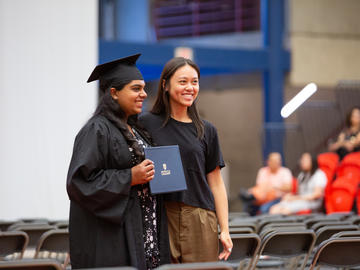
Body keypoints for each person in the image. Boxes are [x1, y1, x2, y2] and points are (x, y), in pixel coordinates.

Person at [66, 54, 170, 269]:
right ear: (113, 93)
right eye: (135, 88)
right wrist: (130, 177)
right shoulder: (96, 130)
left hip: (146, 229)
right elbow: (79, 184)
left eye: (143, 88)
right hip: (115, 237)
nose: (143, 94)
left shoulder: (138, 130)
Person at [139, 57, 233, 263]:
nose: (190, 87)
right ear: (165, 85)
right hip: (161, 213)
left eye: (195, 81)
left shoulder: (207, 130)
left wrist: (224, 229)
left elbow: (216, 183)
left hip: (200, 215)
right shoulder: (145, 123)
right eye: (183, 81)